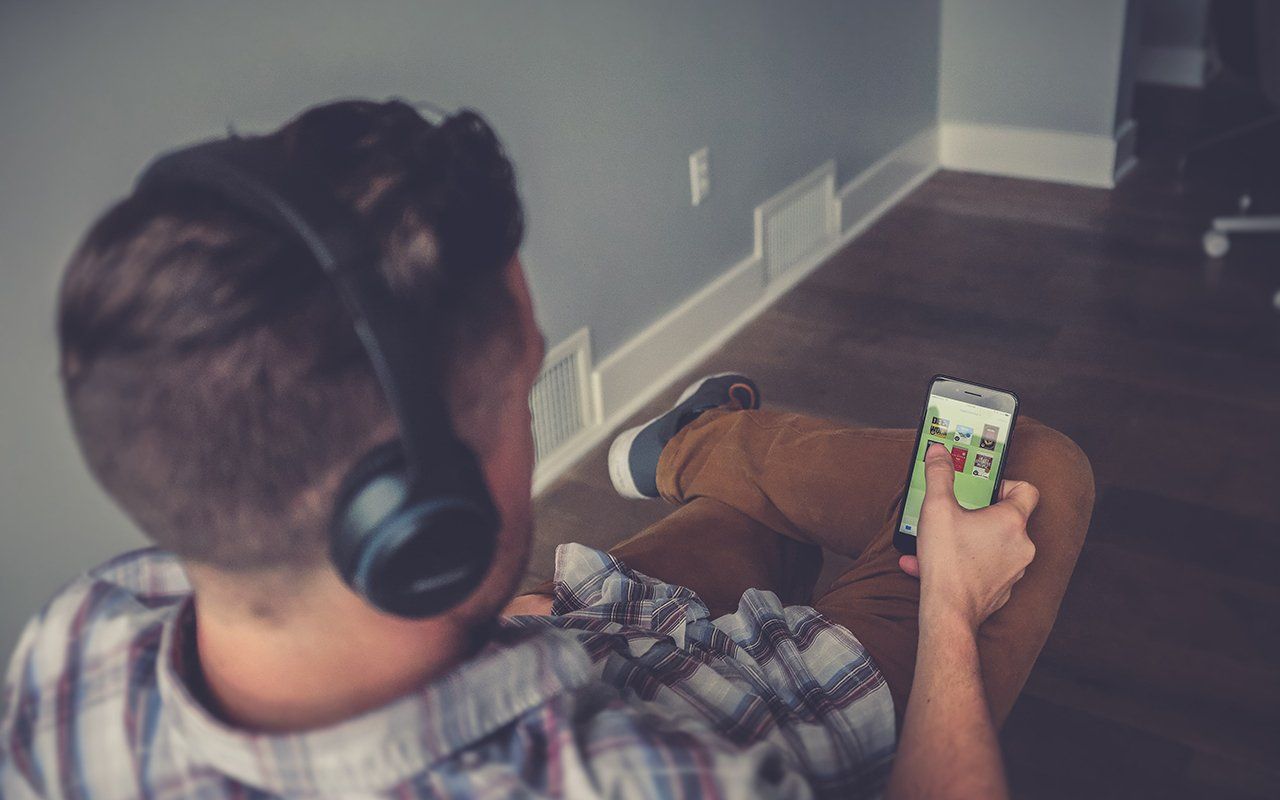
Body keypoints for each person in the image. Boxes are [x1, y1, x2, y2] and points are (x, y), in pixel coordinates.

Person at [0, 99, 1094, 799]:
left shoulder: (71, 652)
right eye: (524, 396)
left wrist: (489, 620)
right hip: (775, 698)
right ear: (421, 526)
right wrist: (948, 611)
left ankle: (702, 451)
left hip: (563, 629)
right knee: (1039, 464)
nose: (529, 422)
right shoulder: (646, 780)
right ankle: (701, 440)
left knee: (738, 529)